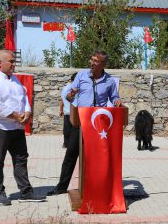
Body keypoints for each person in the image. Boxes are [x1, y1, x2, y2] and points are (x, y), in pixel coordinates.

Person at [47, 49, 122, 196]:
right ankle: (61, 187)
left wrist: (117, 100)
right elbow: (69, 98)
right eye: (91, 59)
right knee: (71, 154)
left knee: (94, 156)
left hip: (98, 124)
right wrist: (71, 95)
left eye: (96, 61)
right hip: (80, 122)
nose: (92, 63)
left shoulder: (109, 81)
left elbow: (114, 97)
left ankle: (96, 186)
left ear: (103, 64)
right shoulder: (81, 75)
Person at [0, 49, 46, 206]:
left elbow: (24, 98)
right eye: (11, 61)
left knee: (21, 159)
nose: (13, 64)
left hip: (16, 128)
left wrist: (27, 112)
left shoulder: (15, 79)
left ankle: (26, 191)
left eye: (14, 61)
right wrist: (17, 115)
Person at [59, 72, 77, 148]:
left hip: (67, 112)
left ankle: (66, 144)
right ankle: (72, 145)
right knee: (75, 130)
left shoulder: (65, 88)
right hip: (75, 112)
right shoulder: (76, 88)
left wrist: (61, 110)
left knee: (67, 129)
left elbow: (61, 100)